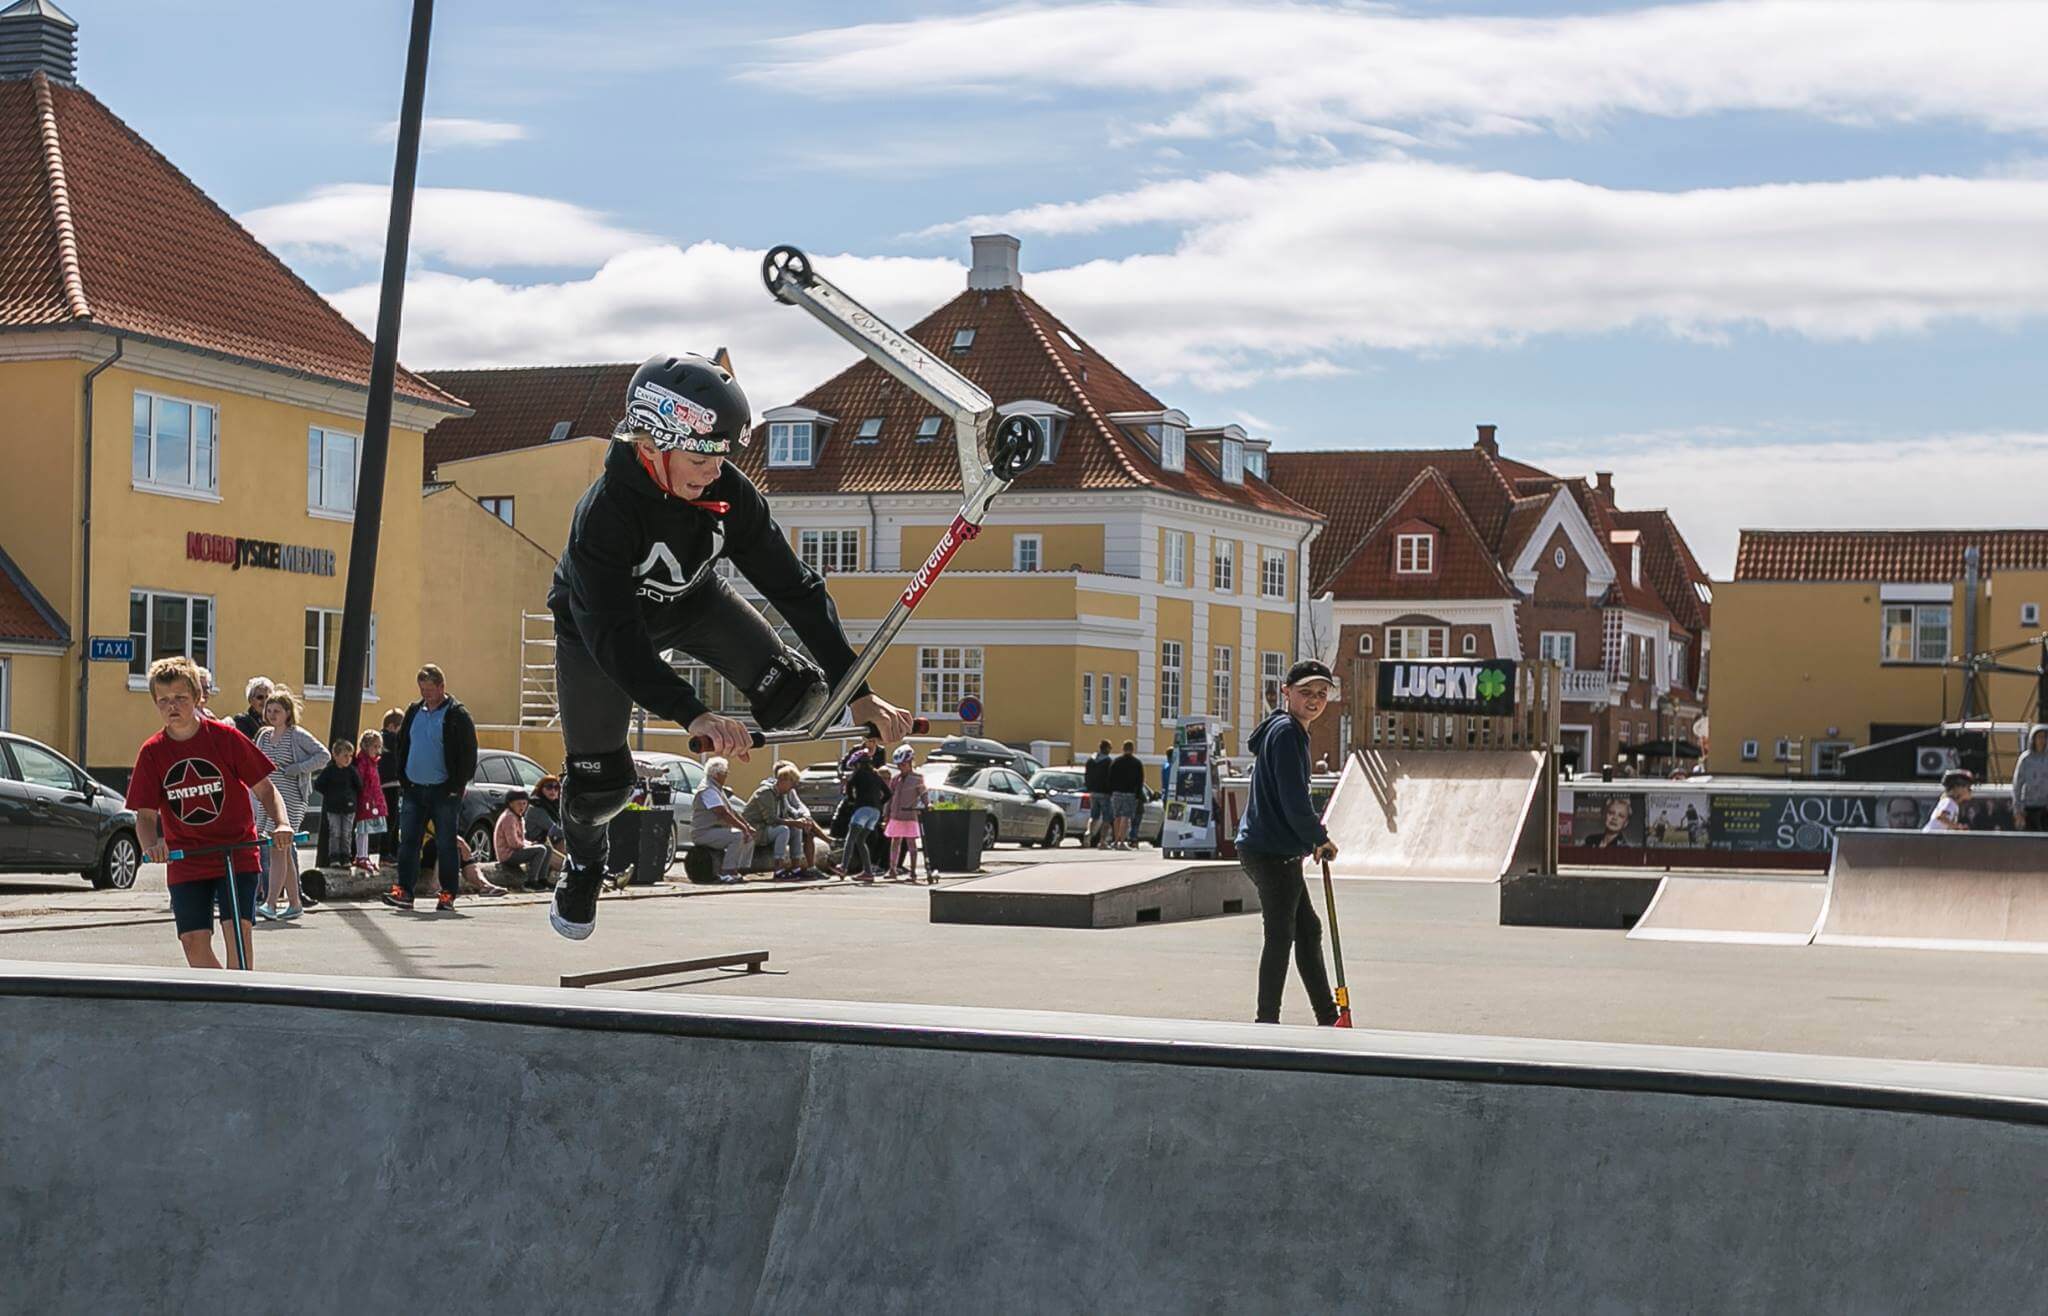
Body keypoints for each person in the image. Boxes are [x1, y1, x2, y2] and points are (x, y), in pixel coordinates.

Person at [543, 353, 913, 939]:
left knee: (799, 696)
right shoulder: (603, 517)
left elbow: (796, 589)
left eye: (721, 459)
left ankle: (810, 695)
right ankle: (585, 862)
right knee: (601, 787)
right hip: (597, 635)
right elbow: (617, 641)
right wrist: (694, 712)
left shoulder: (728, 492)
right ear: (651, 444)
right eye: (697, 460)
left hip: (695, 604)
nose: (712, 473)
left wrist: (858, 693)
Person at [127, 657, 295, 970]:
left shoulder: (225, 739)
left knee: (238, 932)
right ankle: (224, 995)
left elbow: (266, 789)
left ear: (197, 698)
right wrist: (152, 845)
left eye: (180, 698)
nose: (172, 707)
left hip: (236, 852)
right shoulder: (152, 752)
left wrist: (282, 824)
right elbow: (146, 816)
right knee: (192, 942)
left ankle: (240, 999)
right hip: (187, 857)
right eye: (163, 701)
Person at [1234, 660, 1343, 1027]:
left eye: (1321, 694)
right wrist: (1319, 838)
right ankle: (1267, 1022)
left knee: (1306, 930)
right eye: (1306, 692)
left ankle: (1327, 1017)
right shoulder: (1287, 734)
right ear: (1286, 692)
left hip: (1271, 847)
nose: (1314, 700)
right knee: (1281, 935)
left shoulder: (1284, 730)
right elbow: (1293, 799)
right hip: (1271, 851)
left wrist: (1307, 838)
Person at [381, 665, 479, 914]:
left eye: (430, 690)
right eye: (422, 690)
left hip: (444, 792)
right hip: (414, 788)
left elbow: (468, 754)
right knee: (409, 842)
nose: (426, 695)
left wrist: (456, 786)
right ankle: (404, 891)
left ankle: (447, 894)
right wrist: (403, 777)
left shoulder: (457, 715)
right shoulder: (414, 711)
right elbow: (404, 744)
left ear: (441, 687)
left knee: (446, 843)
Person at [251, 685, 327, 921]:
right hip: (267, 799)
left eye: (277, 710)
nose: (272, 714)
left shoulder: (296, 735)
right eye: (269, 710)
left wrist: (297, 769)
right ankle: (294, 902)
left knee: (278, 848)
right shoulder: (263, 735)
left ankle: (271, 902)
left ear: (287, 713)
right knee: (282, 851)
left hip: (291, 800)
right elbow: (254, 761)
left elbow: (323, 755)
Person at [744, 762, 834, 880]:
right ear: (784, 780)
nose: (793, 788)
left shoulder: (781, 794)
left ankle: (796, 868)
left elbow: (789, 812)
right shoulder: (765, 793)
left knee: (796, 828)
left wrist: (801, 821)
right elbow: (771, 819)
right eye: (792, 784)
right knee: (783, 830)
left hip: (767, 829)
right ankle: (778, 869)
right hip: (755, 830)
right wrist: (794, 822)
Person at [690, 757, 754, 882]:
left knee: (748, 836)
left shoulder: (716, 787)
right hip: (703, 832)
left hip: (714, 830)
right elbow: (722, 813)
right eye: (725, 773)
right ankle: (727, 871)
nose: (727, 775)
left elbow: (731, 810)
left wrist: (746, 825)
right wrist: (742, 828)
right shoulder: (708, 789)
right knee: (738, 836)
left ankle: (739, 869)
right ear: (717, 774)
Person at [840, 748, 889, 882]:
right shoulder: (876, 776)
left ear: (858, 764)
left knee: (850, 838)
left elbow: (848, 789)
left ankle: (843, 867)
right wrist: (878, 803)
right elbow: (888, 793)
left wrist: (852, 801)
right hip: (875, 813)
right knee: (861, 841)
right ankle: (868, 872)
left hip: (862, 809)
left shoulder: (858, 774)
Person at [312, 739, 360, 871]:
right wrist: (329, 794)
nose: (348, 759)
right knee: (335, 832)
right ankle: (334, 857)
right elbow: (318, 784)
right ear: (336, 756)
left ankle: (346, 856)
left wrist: (352, 797)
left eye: (350, 756)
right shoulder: (329, 771)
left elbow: (359, 785)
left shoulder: (351, 771)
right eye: (345, 756)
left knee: (346, 833)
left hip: (348, 807)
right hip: (333, 807)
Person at [492, 790, 554, 890]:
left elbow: (521, 839)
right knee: (540, 850)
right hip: (508, 855)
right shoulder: (509, 818)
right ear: (510, 804)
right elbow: (513, 843)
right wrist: (529, 846)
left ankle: (543, 879)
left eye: (524, 803)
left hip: (516, 850)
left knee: (547, 848)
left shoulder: (518, 816)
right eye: (518, 804)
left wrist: (529, 843)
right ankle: (531, 881)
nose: (522, 807)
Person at [883, 744, 928, 881]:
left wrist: (928, 804)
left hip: (909, 815)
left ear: (910, 763)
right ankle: (892, 869)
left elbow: (923, 793)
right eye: (899, 765)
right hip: (896, 815)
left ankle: (913, 872)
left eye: (903, 765)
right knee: (895, 842)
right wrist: (886, 814)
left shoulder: (917, 778)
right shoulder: (896, 779)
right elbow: (889, 797)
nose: (901, 768)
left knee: (911, 844)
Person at [351, 730, 389, 871]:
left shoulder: (372, 762)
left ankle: (364, 855)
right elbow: (361, 781)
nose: (378, 751)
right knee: (362, 829)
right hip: (366, 800)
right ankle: (361, 855)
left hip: (371, 799)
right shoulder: (363, 762)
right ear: (366, 746)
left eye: (379, 747)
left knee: (366, 830)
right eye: (375, 747)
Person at [1108, 740, 1145, 849]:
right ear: (1132, 749)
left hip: (1117, 793)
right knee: (1125, 817)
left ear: (1123, 749)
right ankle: (1122, 842)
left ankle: (1115, 840)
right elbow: (1140, 781)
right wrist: (1138, 795)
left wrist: (1112, 791)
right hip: (1130, 793)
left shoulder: (1116, 761)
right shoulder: (1137, 763)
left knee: (1117, 816)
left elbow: (1110, 778)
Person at [2014, 726, 2048, 831]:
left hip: (2045, 807)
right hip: (2028, 808)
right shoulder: (2025, 759)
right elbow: (2017, 785)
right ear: (2033, 739)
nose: (2042, 740)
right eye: (2039, 737)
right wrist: (2018, 810)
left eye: (2044, 737)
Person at [1083, 740, 1113, 848]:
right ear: (1106, 748)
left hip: (1093, 792)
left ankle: (1088, 833)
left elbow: (1086, 776)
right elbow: (1110, 778)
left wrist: (1089, 787)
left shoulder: (1091, 760)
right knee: (1106, 818)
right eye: (1110, 748)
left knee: (1093, 816)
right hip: (1105, 793)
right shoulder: (1108, 761)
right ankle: (1102, 841)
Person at [233, 676, 273, 740]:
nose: (265, 701)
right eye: (260, 697)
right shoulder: (242, 721)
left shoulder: (277, 719)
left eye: (268, 697)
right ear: (250, 700)